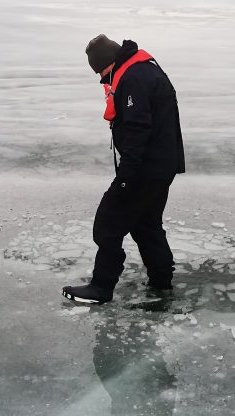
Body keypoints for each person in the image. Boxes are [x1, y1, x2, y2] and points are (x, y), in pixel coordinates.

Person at [62, 35, 185, 304]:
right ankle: (161, 281)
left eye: (103, 75)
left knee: (108, 224)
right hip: (162, 165)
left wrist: (126, 177)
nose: (104, 82)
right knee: (146, 224)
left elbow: (138, 129)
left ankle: (101, 288)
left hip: (145, 169)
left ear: (108, 63)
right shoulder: (142, 69)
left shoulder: (133, 79)